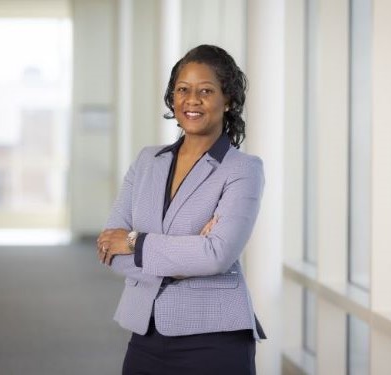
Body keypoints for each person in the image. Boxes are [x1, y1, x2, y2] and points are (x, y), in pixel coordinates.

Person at [96, 44, 265, 375]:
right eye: (183, 90)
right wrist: (190, 254)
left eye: (206, 91)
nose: (192, 100)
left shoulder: (243, 169)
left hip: (215, 338)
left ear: (227, 99)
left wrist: (135, 242)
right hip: (145, 333)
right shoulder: (147, 161)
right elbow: (108, 249)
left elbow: (216, 254)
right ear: (172, 98)